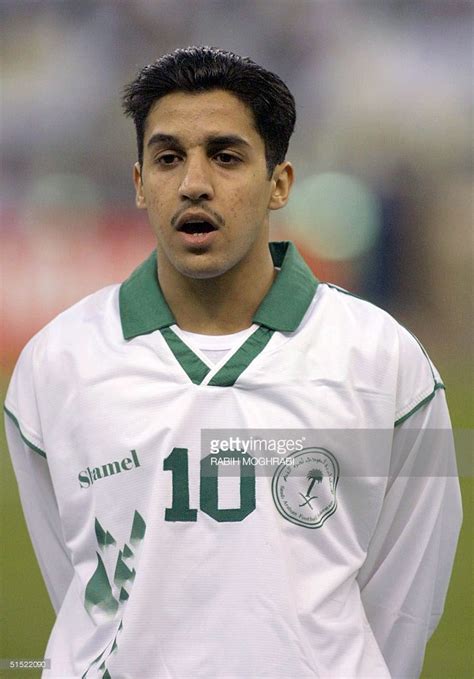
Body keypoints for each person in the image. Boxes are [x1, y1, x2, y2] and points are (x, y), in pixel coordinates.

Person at [4, 46, 461, 679]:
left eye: (225, 155)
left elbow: (407, 588)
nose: (193, 182)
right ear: (139, 183)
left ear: (280, 183)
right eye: (168, 158)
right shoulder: (58, 362)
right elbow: (77, 579)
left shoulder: (380, 359)